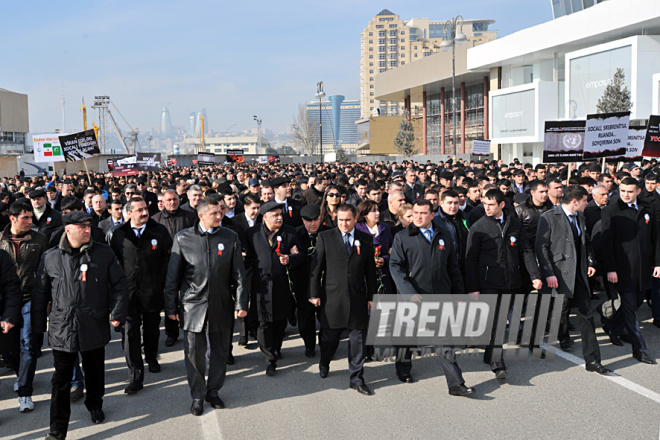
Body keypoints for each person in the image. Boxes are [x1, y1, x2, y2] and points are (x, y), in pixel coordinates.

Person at [32, 211, 128, 439]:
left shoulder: (103, 253)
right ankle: (57, 429)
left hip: (93, 323)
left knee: (94, 371)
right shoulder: (50, 257)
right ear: (68, 230)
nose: (88, 230)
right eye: (82, 227)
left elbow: (120, 284)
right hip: (62, 327)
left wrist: (117, 313)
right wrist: (38, 327)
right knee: (61, 380)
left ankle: (95, 404)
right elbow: (40, 293)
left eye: (89, 226)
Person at [164, 197, 247, 415]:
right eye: (215, 214)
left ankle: (214, 391)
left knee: (220, 352)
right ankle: (198, 396)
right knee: (194, 354)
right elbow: (172, 277)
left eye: (221, 212)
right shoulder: (183, 239)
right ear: (201, 215)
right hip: (193, 306)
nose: (220, 216)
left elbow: (239, 275)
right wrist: (171, 307)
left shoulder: (231, 237)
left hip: (221, 304)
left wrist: (240, 302)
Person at [389, 199, 476, 396]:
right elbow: (395, 267)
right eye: (415, 213)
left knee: (444, 342)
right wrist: (409, 293)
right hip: (413, 297)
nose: (418, 217)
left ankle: (455, 384)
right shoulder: (403, 237)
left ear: (432, 214)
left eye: (422, 213)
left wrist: (458, 293)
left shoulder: (443, 235)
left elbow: (453, 268)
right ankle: (403, 368)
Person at [465, 189, 542, 379]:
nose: (487, 208)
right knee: (495, 323)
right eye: (485, 204)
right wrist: (473, 288)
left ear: (501, 205)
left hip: (511, 281)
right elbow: (470, 260)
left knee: (499, 322)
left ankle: (490, 354)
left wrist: (534, 275)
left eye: (491, 205)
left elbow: (525, 250)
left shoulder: (514, 224)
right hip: (488, 282)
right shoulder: (479, 227)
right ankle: (498, 365)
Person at [535, 185, 611, 374]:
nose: (588, 203)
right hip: (559, 274)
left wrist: (591, 262)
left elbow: (587, 243)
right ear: (575, 201)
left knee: (587, 316)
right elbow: (540, 247)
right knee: (560, 310)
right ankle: (561, 337)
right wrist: (549, 273)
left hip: (580, 275)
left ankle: (593, 360)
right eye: (585, 200)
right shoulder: (549, 217)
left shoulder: (581, 218)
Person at [309, 204, 377, 396]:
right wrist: (314, 294)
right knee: (330, 338)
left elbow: (370, 272)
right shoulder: (325, 237)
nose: (344, 224)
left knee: (358, 340)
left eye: (348, 220)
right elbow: (317, 268)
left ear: (355, 218)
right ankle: (325, 361)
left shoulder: (365, 239)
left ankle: (356, 378)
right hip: (333, 297)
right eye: (340, 220)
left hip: (357, 297)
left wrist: (372, 297)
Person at [108, 197, 173, 394]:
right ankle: (135, 375)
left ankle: (152, 358)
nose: (145, 213)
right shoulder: (118, 234)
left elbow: (167, 257)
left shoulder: (159, 231)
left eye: (146, 208)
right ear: (129, 213)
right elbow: (113, 263)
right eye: (139, 210)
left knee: (152, 329)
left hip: (152, 291)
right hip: (127, 294)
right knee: (130, 334)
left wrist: (159, 281)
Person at [601, 177, 660, 364]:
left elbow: (656, 238)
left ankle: (611, 325)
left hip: (643, 270)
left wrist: (658, 263)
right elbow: (607, 243)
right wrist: (610, 269)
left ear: (638, 191)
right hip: (622, 269)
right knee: (630, 310)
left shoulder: (648, 208)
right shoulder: (611, 211)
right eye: (623, 190)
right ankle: (639, 349)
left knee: (637, 303)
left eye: (630, 191)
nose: (626, 194)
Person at [0, 201, 49, 412]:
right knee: (10, 349)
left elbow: (46, 271)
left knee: (28, 344)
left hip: (30, 297)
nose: (30, 221)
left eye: (31, 217)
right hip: (6, 302)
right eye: (25, 218)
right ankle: (21, 374)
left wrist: (46, 299)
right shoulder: (0, 241)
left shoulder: (40, 239)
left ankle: (25, 392)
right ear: (13, 218)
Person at [245, 200, 304, 375]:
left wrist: (291, 259)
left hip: (282, 285)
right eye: (275, 215)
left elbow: (301, 254)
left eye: (280, 214)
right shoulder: (252, 233)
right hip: (261, 286)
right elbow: (247, 258)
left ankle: (276, 348)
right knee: (263, 323)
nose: (279, 218)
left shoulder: (290, 232)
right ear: (265, 217)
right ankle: (269, 357)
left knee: (279, 322)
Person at [152, 190, 197, 347]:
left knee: (187, 297)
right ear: (162, 202)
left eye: (175, 199)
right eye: (169, 200)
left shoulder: (190, 217)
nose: (172, 202)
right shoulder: (155, 220)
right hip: (165, 266)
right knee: (169, 299)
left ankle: (189, 328)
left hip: (187, 264)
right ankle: (171, 333)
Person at [293, 204, 329, 358]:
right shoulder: (295, 234)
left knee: (326, 318)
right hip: (303, 283)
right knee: (305, 319)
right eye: (309, 221)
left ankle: (325, 344)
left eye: (316, 219)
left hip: (325, 283)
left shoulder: (328, 233)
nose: (313, 223)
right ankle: (309, 345)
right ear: (303, 220)